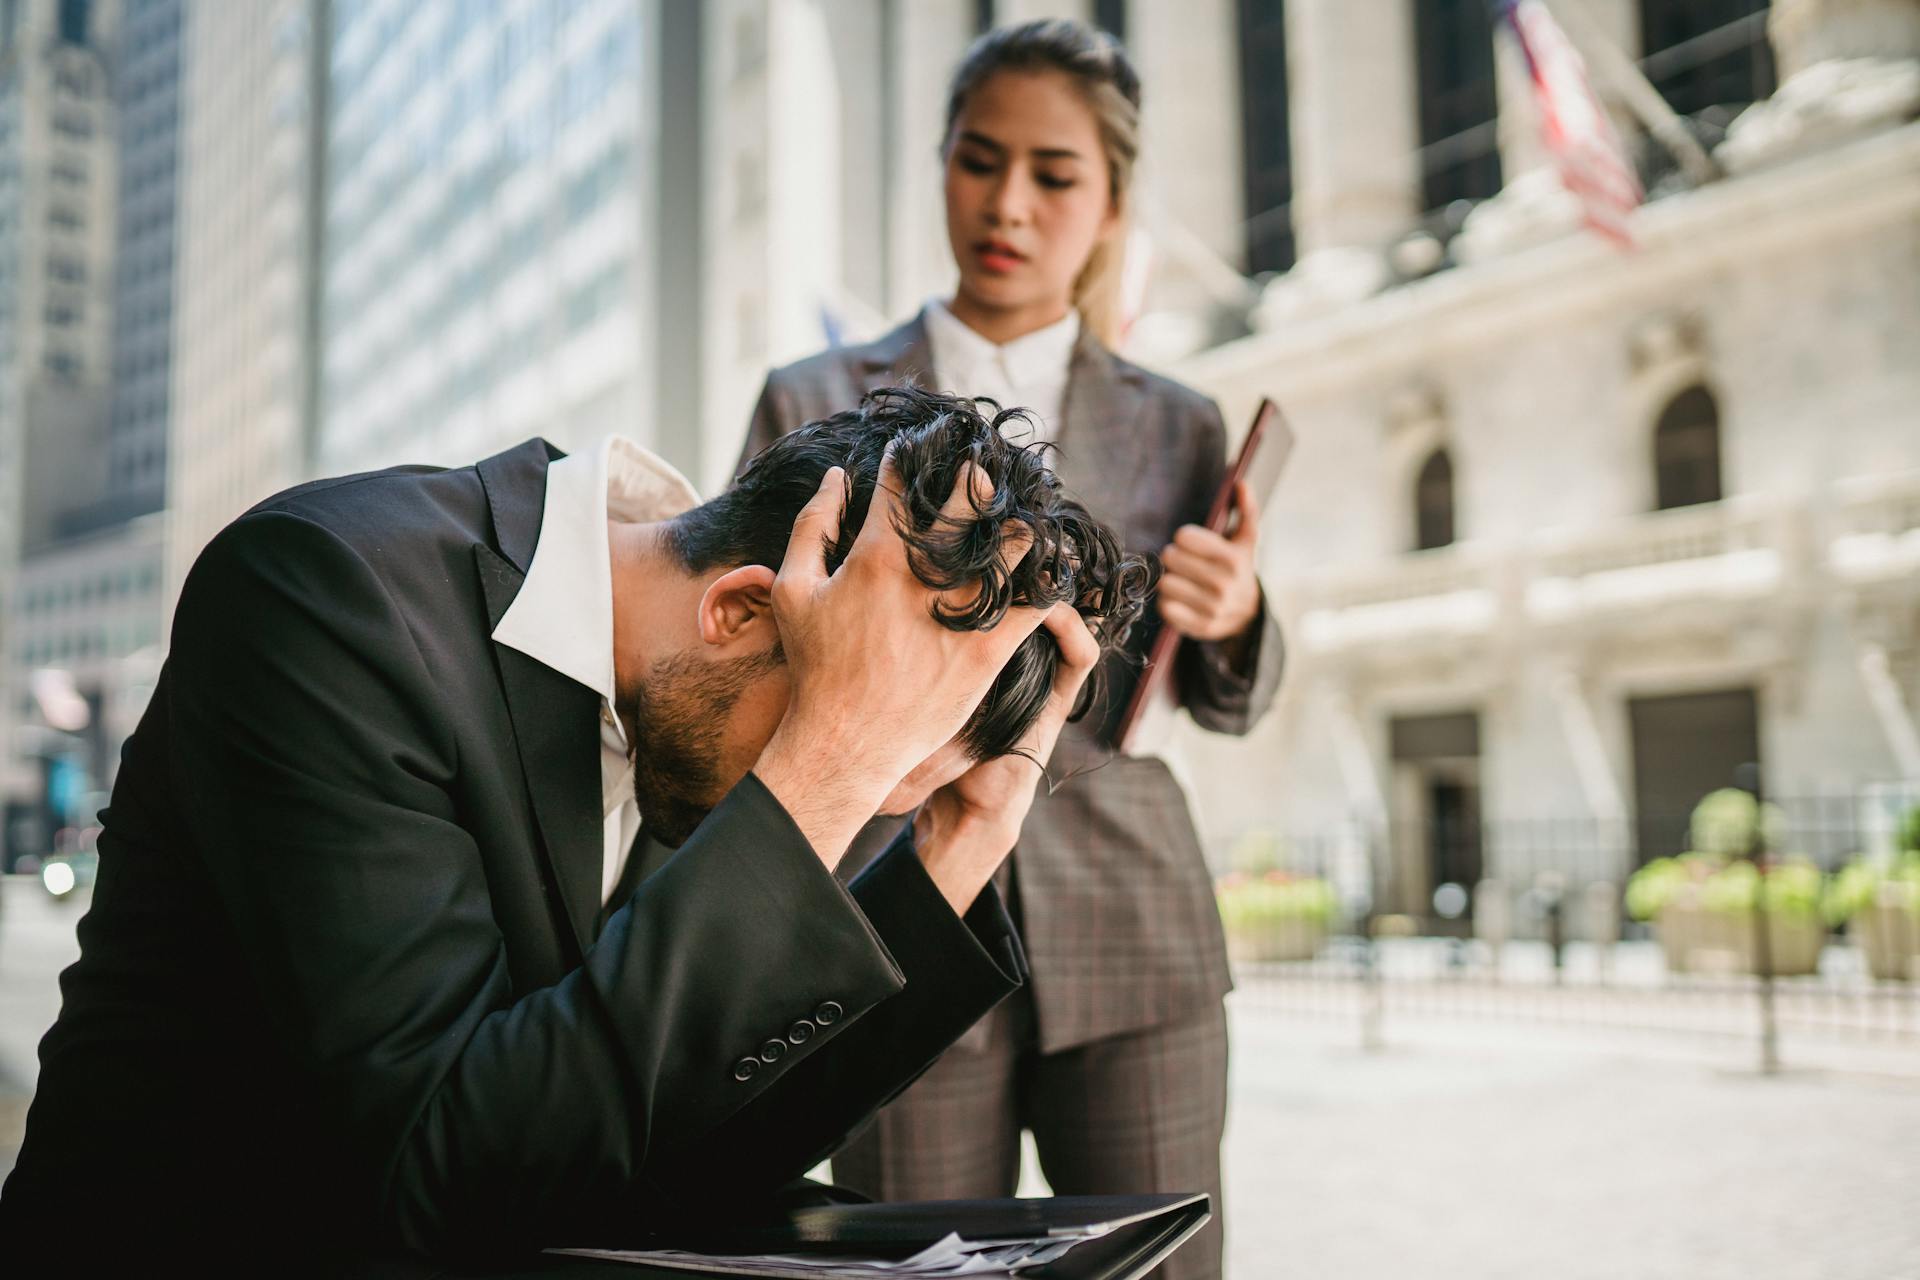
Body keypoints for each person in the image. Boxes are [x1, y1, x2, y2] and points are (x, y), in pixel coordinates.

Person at [0, 387, 1148, 1269]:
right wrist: (825, 764)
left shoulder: (688, 698)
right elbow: (443, 1171)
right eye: (842, 750)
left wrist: (949, 854)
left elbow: (683, 1149)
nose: (828, 812)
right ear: (744, 606)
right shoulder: (329, 597)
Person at [738, 21, 1284, 1280]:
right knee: (905, 1270)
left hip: (1134, 930)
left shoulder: (1179, 421)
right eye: (980, 161)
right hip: (888, 921)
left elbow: (1224, 696)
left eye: (1054, 175)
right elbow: (744, 657)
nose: (1010, 205)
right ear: (939, 165)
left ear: (1110, 205)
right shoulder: (809, 400)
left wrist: (1240, 611)